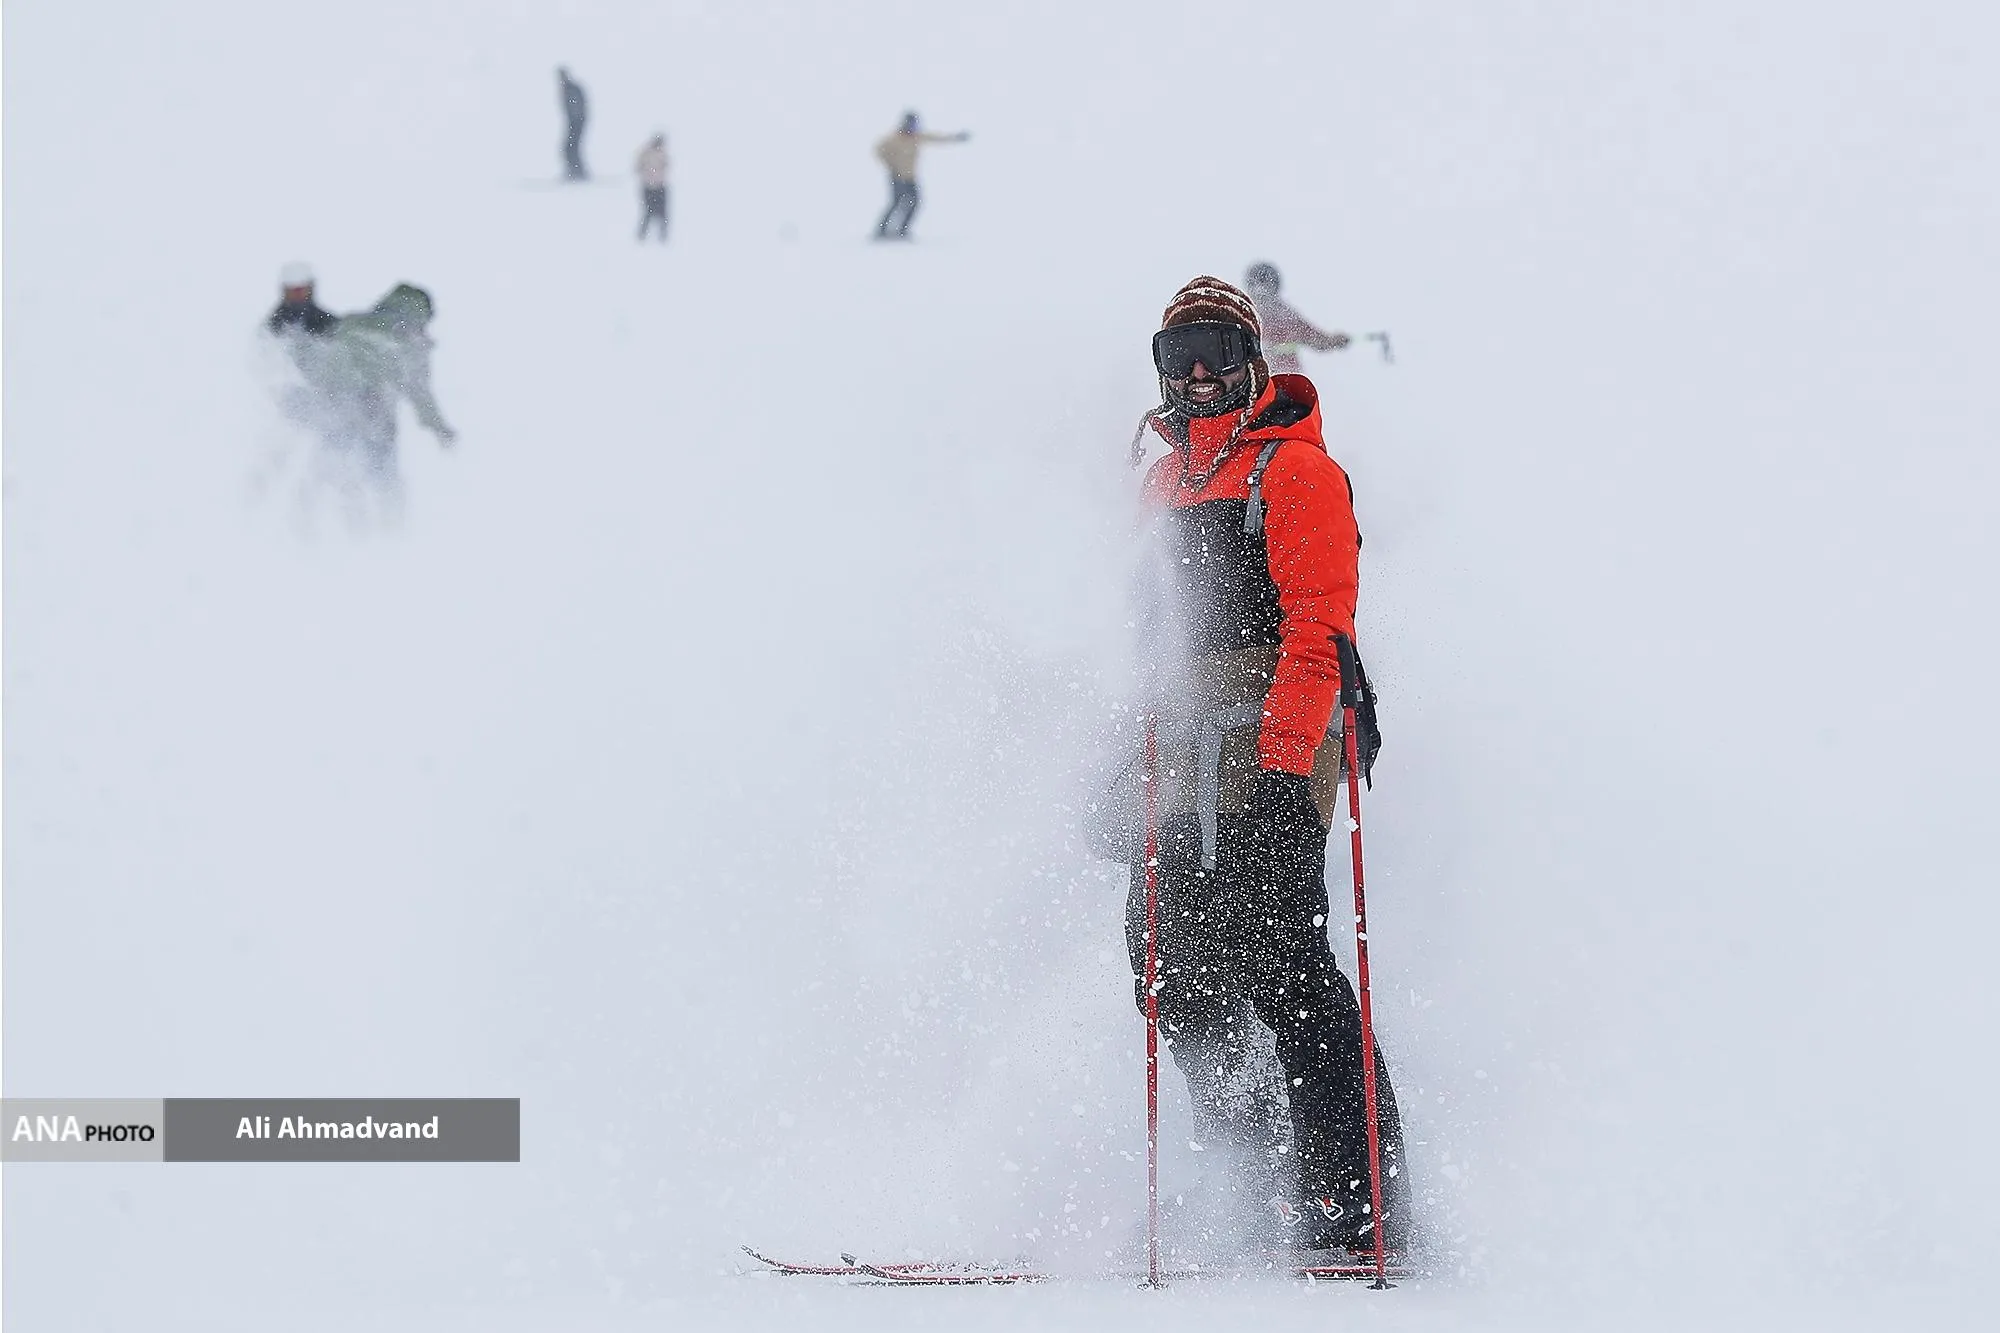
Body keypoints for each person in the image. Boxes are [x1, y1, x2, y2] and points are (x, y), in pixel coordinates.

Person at [1121, 275, 1408, 1254]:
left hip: (1279, 725)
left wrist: (1286, 775)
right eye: (1178, 355)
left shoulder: (1294, 472)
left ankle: (1355, 1201)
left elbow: (1319, 628)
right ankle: (1253, 1167)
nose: (1198, 373)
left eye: (1218, 350)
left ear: (1253, 363)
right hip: (1185, 738)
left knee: (1278, 951)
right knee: (1166, 954)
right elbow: (1148, 640)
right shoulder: (1161, 484)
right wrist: (1122, 757)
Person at [292, 283, 456, 488]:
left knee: (335, 467)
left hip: (333, 403)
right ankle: (386, 505)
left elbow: (318, 358)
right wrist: (440, 428)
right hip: (372, 406)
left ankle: (324, 499)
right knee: (380, 474)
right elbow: (419, 391)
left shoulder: (352, 322)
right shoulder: (409, 338)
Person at [872, 111, 968, 240]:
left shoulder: (916, 137)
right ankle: (881, 230)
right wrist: (891, 165)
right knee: (896, 203)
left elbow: (937, 138)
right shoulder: (895, 139)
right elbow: (879, 150)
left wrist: (956, 137)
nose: (913, 128)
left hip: (911, 178)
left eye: (915, 125)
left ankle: (903, 230)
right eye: (911, 125)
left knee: (915, 202)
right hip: (897, 177)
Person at [1243, 262, 1349, 375]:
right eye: (1258, 285)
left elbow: (1314, 338)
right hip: (1264, 378)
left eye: (1265, 286)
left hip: (1287, 377)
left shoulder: (1284, 315)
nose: (1261, 291)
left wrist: (1334, 341)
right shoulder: (1245, 314)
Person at [266, 262, 336, 337]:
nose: (298, 294)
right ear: (285, 291)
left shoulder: (328, 323)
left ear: (310, 289)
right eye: (293, 290)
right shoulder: (270, 327)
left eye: (301, 289)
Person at [635, 134, 669, 242]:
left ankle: (663, 236)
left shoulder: (662, 153)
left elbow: (666, 166)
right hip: (649, 187)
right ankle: (642, 235)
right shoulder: (647, 153)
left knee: (662, 213)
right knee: (648, 212)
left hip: (659, 186)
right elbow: (638, 166)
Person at [558, 67, 589, 180]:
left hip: (576, 122)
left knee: (571, 147)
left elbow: (577, 106)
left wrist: (576, 119)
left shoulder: (571, 89)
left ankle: (577, 171)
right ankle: (575, 170)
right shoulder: (568, 88)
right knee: (570, 147)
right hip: (574, 122)